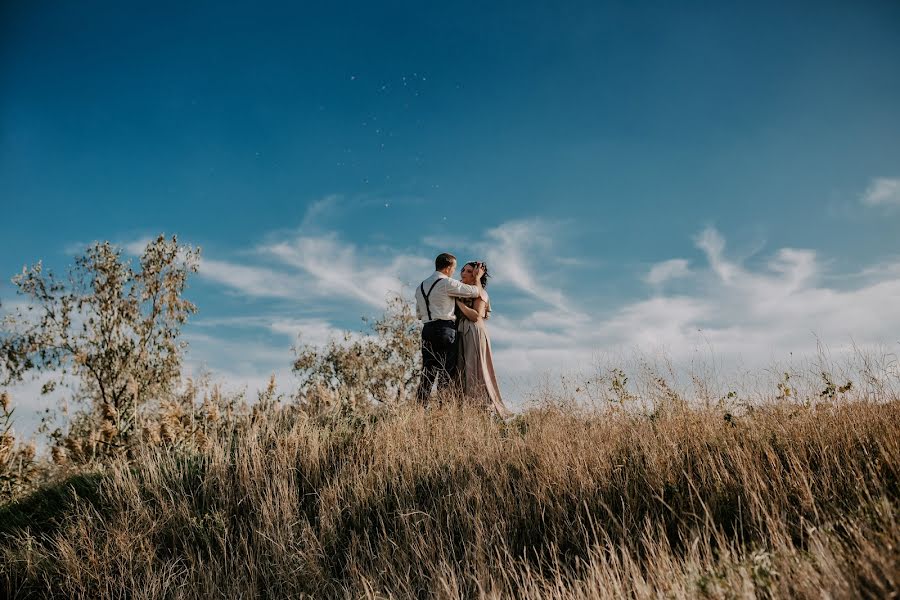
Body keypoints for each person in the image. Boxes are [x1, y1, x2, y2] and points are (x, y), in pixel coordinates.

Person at [415, 253, 486, 405]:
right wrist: (478, 277)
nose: (455, 272)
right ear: (448, 268)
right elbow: (475, 292)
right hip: (445, 330)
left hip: (427, 330)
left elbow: (419, 314)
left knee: (428, 372)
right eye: (454, 268)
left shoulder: (420, 287)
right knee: (446, 371)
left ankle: (420, 408)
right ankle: (442, 408)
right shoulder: (447, 283)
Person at [455, 261, 511, 418]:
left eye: (468, 271)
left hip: (473, 332)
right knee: (461, 371)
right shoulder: (460, 289)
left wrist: (458, 301)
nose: (463, 273)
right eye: (463, 270)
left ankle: (482, 409)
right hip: (460, 332)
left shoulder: (482, 293)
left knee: (476, 368)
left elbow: (475, 315)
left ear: (476, 274)